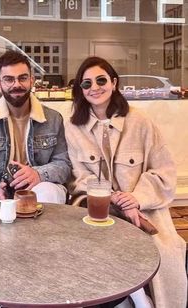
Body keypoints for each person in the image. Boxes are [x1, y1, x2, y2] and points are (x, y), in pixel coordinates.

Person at [65, 56, 187, 308]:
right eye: (86, 84)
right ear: (80, 89)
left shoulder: (140, 122)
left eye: (101, 80)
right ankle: (129, 299)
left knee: (163, 252)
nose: (94, 88)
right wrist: (112, 196)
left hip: (146, 211)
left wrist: (136, 199)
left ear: (114, 82)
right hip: (97, 209)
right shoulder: (72, 127)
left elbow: (164, 171)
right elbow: (76, 177)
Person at [0, 50, 71, 207]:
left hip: (38, 190)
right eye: (9, 79)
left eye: (23, 78)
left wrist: (38, 174)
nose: (17, 85)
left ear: (32, 80)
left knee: (49, 191)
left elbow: (64, 164)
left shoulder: (53, 119)